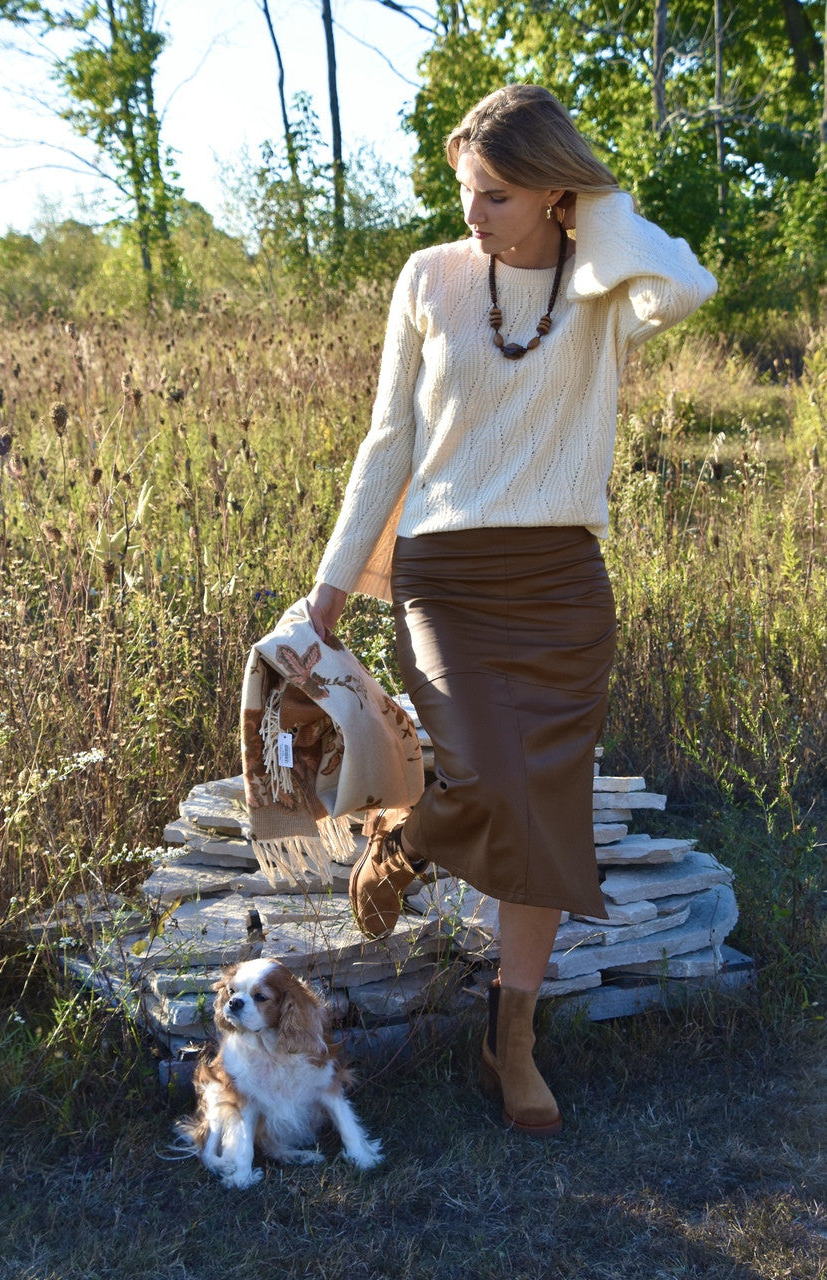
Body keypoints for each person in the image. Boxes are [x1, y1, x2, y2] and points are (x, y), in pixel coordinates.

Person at [306, 84, 716, 1137]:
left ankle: (512, 1035)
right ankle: (403, 837)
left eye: (494, 194)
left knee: (545, 803)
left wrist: (602, 210)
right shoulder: (429, 279)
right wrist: (334, 577)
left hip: (562, 581)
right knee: (491, 772)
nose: (471, 214)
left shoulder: (600, 281)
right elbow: (388, 438)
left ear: (551, 193)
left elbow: (685, 286)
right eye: (465, 191)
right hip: (443, 574)